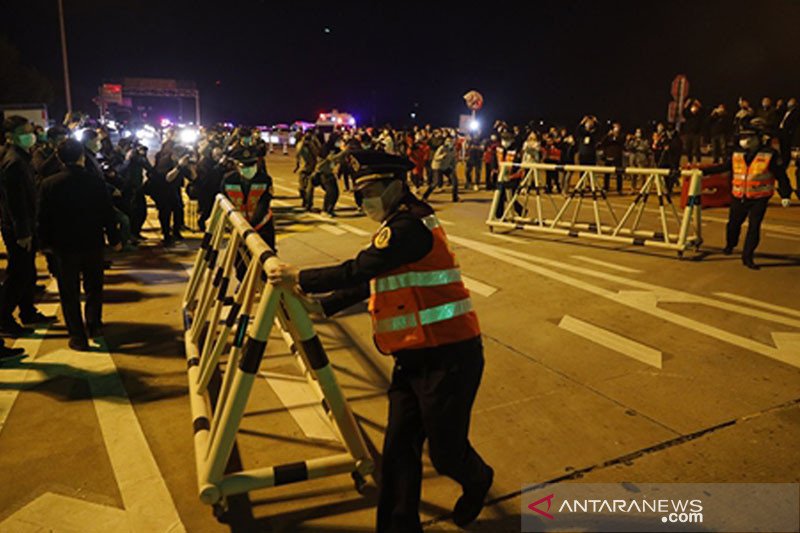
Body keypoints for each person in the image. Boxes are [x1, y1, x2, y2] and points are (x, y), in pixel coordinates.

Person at [267, 151, 493, 532]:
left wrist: (301, 277)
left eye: (371, 191)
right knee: (398, 452)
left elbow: (361, 268)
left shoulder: (409, 226)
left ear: (396, 186)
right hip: (412, 357)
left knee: (446, 454)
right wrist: (327, 306)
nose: (364, 200)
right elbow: (378, 277)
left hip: (450, 358)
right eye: (360, 193)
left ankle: (478, 478)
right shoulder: (399, 222)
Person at [37, 139, 121, 350]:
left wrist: (44, 243)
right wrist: (114, 239)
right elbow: (107, 213)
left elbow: (42, 217)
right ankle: (94, 325)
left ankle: (77, 335)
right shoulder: (95, 181)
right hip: (92, 241)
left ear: (59, 158)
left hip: (63, 245)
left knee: (69, 291)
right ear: (82, 157)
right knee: (94, 286)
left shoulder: (49, 184)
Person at [701, 122, 792, 269]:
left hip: (759, 197)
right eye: (743, 137)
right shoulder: (736, 153)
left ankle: (748, 256)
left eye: (749, 137)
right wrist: (703, 171)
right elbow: (724, 167)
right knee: (733, 225)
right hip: (738, 195)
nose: (745, 140)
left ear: (758, 138)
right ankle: (730, 244)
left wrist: (785, 194)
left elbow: (781, 175)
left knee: (754, 227)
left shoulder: (769, 154)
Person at [0, 116, 53, 337]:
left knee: (28, 272)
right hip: (19, 228)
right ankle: (4, 318)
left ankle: (28, 311)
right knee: (18, 274)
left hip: (24, 224)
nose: (30, 135)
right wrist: (23, 232)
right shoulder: (14, 162)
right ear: (10, 136)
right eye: (24, 132)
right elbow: (16, 202)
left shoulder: (21, 157)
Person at [221, 146, 275, 250]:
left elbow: (263, 204)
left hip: (262, 226)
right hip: (237, 226)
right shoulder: (228, 180)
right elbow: (225, 203)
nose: (248, 169)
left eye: (252, 165)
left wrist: (250, 227)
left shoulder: (264, 180)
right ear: (237, 166)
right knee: (238, 256)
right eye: (244, 166)